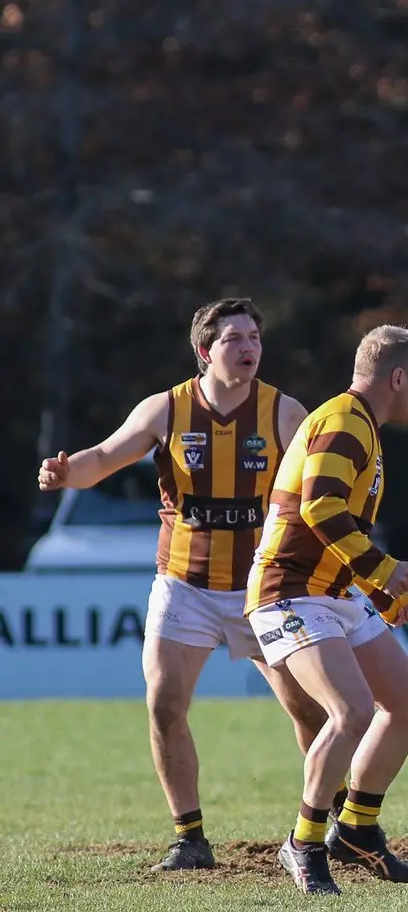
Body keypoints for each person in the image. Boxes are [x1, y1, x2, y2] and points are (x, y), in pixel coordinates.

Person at [36, 298, 328, 873]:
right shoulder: (165, 409)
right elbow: (104, 457)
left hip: (261, 588)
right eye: (234, 339)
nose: (248, 348)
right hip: (184, 584)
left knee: (309, 709)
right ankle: (190, 840)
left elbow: (323, 481)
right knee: (165, 705)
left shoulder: (285, 412)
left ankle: (334, 821)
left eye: (254, 338)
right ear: (205, 351)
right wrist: (68, 473)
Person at [245, 325, 408, 895]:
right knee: (350, 712)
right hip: (289, 590)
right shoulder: (345, 422)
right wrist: (381, 570)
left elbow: (335, 524)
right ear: (397, 377)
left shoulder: (361, 425)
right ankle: (303, 843)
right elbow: (321, 508)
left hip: (331, 592)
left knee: (407, 702)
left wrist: (380, 593)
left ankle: (357, 829)